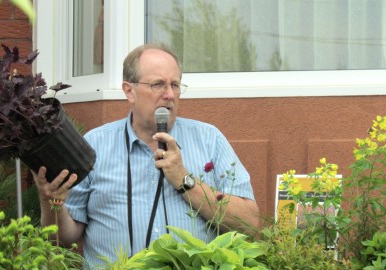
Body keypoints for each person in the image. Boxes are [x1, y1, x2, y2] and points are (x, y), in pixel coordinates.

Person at [33, 44, 260, 269]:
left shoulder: (209, 140)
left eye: (175, 85)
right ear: (129, 91)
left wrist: (185, 181)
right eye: (158, 84)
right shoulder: (94, 146)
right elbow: (63, 238)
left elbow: (249, 225)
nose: (169, 94)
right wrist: (51, 202)